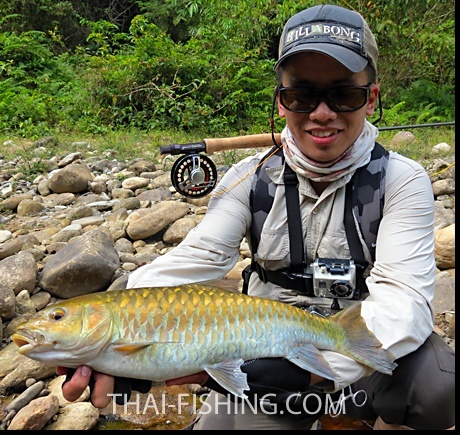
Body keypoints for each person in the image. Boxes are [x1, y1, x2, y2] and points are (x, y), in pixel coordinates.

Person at [58, 4, 455, 430]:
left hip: (360, 351)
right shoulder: (248, 179)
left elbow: (404, 302)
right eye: (300, 96)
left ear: (371, 98)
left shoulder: (402, 179)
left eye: (344, 94)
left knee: (440, 388)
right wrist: (118, 338)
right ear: (281, 102)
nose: (322, 113)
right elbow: (193, 260)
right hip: (265, 351)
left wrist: (313, 370)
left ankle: (369, 416)